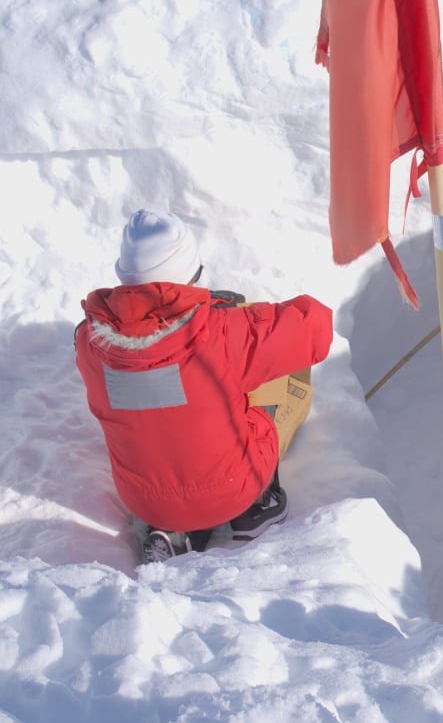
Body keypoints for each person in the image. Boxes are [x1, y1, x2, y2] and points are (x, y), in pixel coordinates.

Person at [74, 210, 334, 562]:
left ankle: (172, 531)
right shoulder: (223, 333)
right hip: (232, 490)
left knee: (169, 414)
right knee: (279, 377)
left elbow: (162, 372)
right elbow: (315, 327)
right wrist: (237, 312)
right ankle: (258, 505)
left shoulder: (90, 343)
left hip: (143, 499)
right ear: (191, 277)